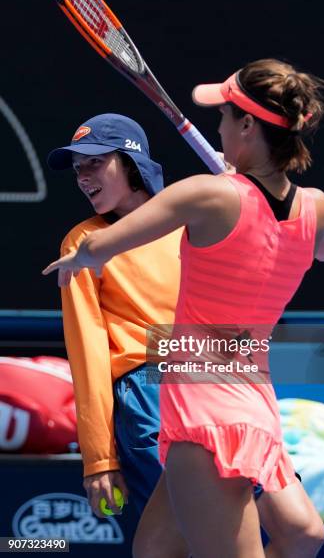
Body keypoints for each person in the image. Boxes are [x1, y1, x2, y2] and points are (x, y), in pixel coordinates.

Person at [44, 59, 324, 557]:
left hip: (201, 410)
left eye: (223, 116)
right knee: (156, 549)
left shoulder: (202, 199)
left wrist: (79, 258)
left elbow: (97, 250)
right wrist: (249, 192)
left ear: (247, 125)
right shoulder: (319, 207)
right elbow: (323, 248)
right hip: (249, 399)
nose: (217, 127)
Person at [45, 113, 187, 554]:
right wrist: (99, 459)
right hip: (148, 395)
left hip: (218, 385)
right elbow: (87, 354)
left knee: (298, 530)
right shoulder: (82, 244)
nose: (82, 176)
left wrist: (248, 198)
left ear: (131, 162)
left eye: (94, 162)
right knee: (192, 539)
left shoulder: (197, 220)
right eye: (77, 168)